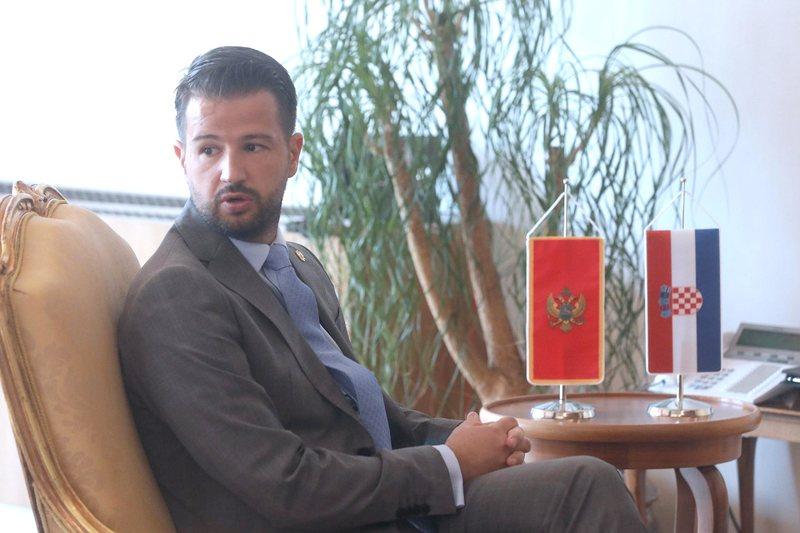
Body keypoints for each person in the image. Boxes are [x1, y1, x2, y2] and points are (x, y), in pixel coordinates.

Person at [118, 46, 646, 532]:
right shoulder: (178, 296)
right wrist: (451, 463)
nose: (230, 171)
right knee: (586, 489)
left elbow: (367, 419)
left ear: (294, 153)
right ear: (182, 157)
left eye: (253, 146)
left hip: (372, 507)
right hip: (315, 521)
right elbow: (285, 485)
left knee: (582, 482)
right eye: (209, 150)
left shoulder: (294, 265)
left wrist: (471, 439)